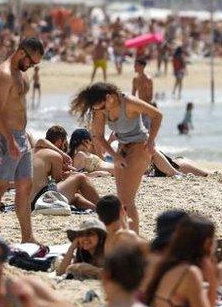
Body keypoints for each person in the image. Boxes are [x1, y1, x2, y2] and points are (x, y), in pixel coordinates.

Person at [70, 82, 163, 233]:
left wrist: (152, 140)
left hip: (140, 147)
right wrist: (114, 155)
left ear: (109, 97)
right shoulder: (100, 109)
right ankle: (125, 233)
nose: (99, 111)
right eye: (96, 108)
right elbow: (98, 136)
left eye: (100, 107)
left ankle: (133, 237)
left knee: (127, 200)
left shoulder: (129, 103)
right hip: (121, 149)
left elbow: (157, 115)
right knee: (121, 199)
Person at [0, 37, 43, 243]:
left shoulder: (21, 74)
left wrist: (24, 136)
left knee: (25, 187)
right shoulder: (3, 74)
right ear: (21, 53)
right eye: (31, 62)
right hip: (4, 138)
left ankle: (28, 237)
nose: (32, 66)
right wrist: (9, 140)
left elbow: (18, 107)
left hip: (21, 137)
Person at [32, 125, 100, 211]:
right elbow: (57, 182)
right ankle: (104, 206)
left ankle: (97, 209)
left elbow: (41, 141)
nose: (64, 147)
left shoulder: (34, 150)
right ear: (60, 141)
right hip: (39, 199)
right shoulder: (55, 156)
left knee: (75, 197)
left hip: (26, 200)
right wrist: (68, 174)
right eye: (64, 143)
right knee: (80, 178)